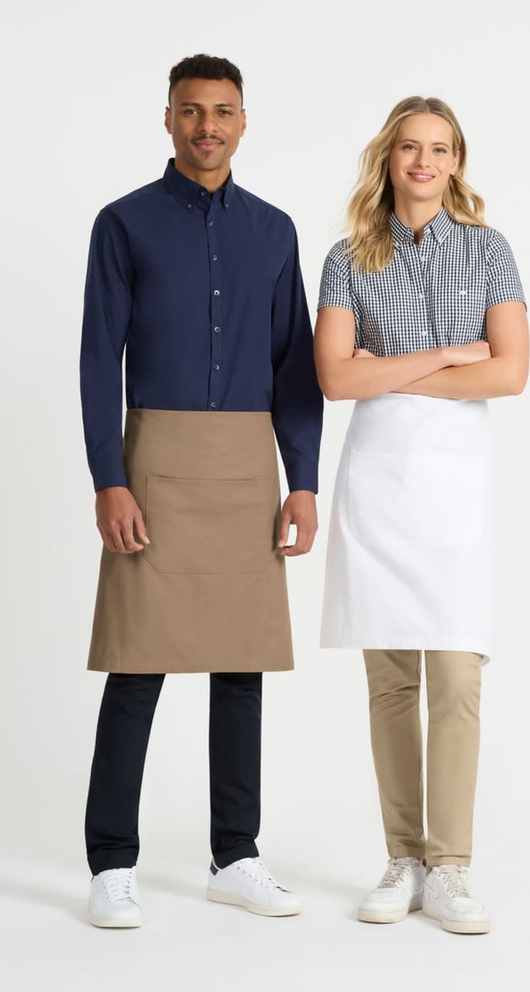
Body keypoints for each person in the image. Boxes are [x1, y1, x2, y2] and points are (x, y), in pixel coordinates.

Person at [80, 54, 322, 928]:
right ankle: (110, 862)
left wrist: (303, 483)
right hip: (154, 464)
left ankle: (237, 853)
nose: (207, 126)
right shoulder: (124, 224)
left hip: (247, 466)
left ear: (244, 122)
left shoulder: (275, 231)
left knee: (240, 663)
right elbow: (95, 358)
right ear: (170, 119)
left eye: (223, 112)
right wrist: (109, 476)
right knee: (137, 665)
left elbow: (296, 368)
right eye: (192, 111)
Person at [314, 96, 528, 934]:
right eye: (411, 146)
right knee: (390, 678)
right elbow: (335, 378)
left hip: (457, 484)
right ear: (389, 157)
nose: (424, 162)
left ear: (456, 161)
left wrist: (387, 366)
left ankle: (451, 864)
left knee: (458, 676)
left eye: (440, 149)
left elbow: (510, 373)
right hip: (380, 477)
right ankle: (403, 856)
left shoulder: (489, 251)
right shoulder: (348, 256)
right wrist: (448, 351)